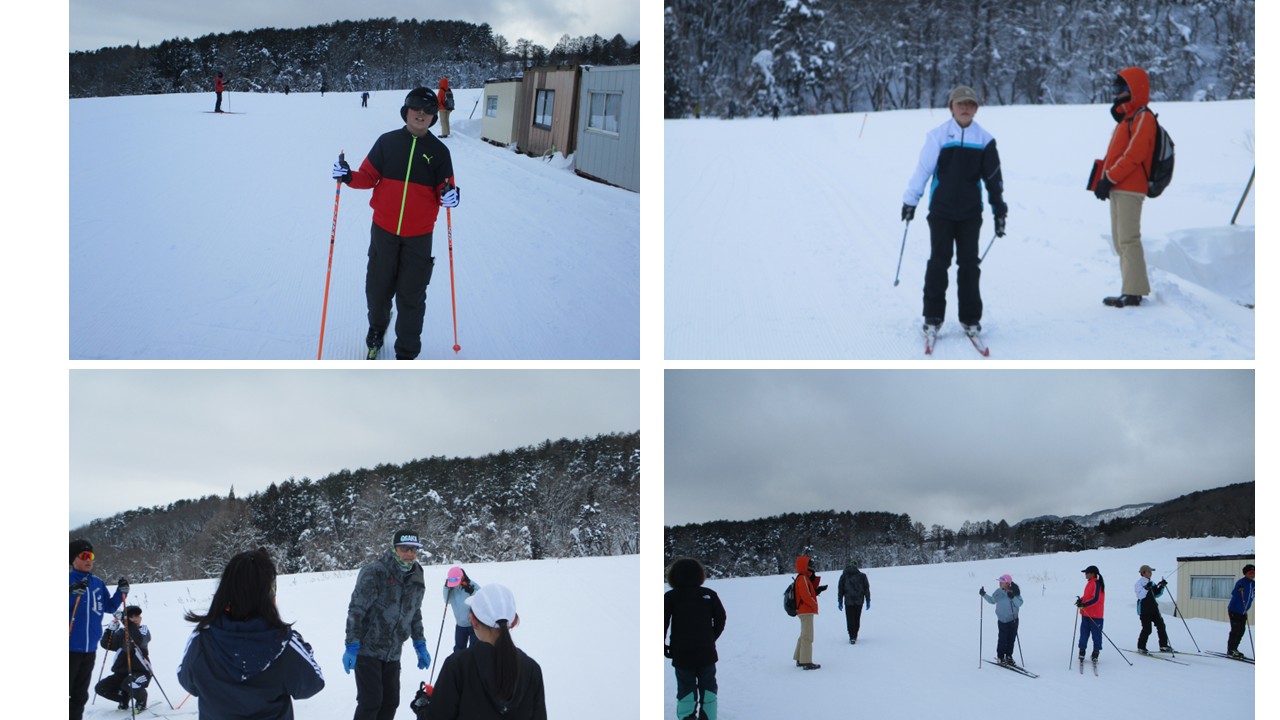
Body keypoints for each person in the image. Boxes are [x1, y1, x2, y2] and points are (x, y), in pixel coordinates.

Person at [332, 88, 460, 360]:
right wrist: (348, 175)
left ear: (434, 117)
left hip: (419, 237)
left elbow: (446, 189)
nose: (421, 113)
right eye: (416, 107)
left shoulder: (439, 152)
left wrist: (451, 195)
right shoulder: (387, 143)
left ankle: (407, 352)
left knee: (411, 297)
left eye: (427, 110)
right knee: (377, 290)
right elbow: (367, 177)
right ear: (406, 111)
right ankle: (377, 331)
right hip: (384, 232)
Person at [902, 85, 1007, 339]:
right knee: (939, 261)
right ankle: (933, 316)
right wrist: (910, 201)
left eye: (970, 105)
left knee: (969, 264)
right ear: (951, 107)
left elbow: (994, 180)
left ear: (976, 109)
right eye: (960, 104)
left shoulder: (985, 140)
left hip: (971, 214)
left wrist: (999, 211)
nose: (965, 108)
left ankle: (970, 318)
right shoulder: (938, 136)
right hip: (941, 211)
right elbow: (923, 170)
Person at [177, 548, 323, 719]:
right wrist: (303, 647)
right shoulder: (284, 643)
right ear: (269, 593)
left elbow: (187, 681)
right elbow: (312, 684)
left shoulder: (201, 639)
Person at [343, 530, 430, 720]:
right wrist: (352, 644)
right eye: (404, 548)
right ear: (394, 548)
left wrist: (419, 643)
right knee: (371, 702)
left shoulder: (417, 574)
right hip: (368, 649)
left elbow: (414, 612)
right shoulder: (375, 571)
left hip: (394, 651)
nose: (409, 553)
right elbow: (356, 609)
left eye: (414, 549)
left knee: (391, 702)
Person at [430, 583, 547, 720]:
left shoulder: (457, 665)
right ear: (513, 622)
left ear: (473, 621)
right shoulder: (532, 669)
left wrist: (424, 707)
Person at [1094, 67, 1157, 308]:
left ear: (1134, 89)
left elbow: (1134, 155)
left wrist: (1109, 178)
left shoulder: (1143, 117)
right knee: (1120, 240)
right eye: (1115, 88)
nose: (1116, 93)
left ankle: (1134, 293)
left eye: (1120, 88)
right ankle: (1128, 289)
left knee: (1129, 239)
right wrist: (1104, 181)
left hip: (1130, 187)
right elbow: (1116, 154)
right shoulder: (1127, 119)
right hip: (1118, 186)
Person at [69, 539, 127, 720]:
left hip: (89, 649)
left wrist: (121, 592)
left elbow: (109, 607)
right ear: (72, 559)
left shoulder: (97, 583)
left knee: (80, 694)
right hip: (69, 648)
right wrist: (71, 594)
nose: (89, 560)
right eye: (84, 556)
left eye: (91, 556)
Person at [664, 558, 726, 720]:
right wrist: (711, 638)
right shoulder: (709, 595)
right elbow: (721, 618)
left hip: (682, 652)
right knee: (709, 686)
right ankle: (708, 717)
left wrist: (662, 645)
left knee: (686, 687)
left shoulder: (670, 597)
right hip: (706, 651)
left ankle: (687, 717)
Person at [95, 605, 152, 711]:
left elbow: (137, 640)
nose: (135, 619)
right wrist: (109, 631)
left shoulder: (143, 630)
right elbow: (107, 645)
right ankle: (124, 699)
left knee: (129, 683)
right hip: (121, 672)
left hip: (141, 672)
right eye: (131, 617)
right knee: (101, 688)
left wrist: (125, 621)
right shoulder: (121, 633)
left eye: (137, 616)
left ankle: (141, 700)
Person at [980, 574, 1023, 666]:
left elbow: (1019, 603)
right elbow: (992, 600)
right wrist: (984, 595)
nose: (1000, 583)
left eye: (1002, 582)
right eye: (999, 581)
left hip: (1013, 621)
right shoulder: (998, 592)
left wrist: (1013, 597)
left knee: (1011, 640)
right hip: (1002, 621)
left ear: (1007, 583)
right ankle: (1000, 657)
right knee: (1002, 639)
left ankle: (1008, 656)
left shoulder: (1014, 591)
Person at [792, 556, 826, 670]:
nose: (812, 566)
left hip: (803, 610)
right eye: (809, 564)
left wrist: (817, 590)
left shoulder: (803, 577)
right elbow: (805, 595)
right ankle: (806, 662)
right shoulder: (802, 578)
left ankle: (799, 658)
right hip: (805, 610)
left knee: (804, 635)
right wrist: (813, 604)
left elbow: (808, 592)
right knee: (808, 636)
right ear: (804, 566)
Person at [1134, 564, 1172, 654]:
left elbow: (1156, 594)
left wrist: (1162, 586)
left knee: (1161, 626)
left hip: (1154, 608)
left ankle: (1163, 645)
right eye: (1149, 571)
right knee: (1147, 629)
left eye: (1151, 572)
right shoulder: (1139, 583)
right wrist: (1147, 588)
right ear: (1143, 573)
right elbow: (1140, 596)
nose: (1151, 573)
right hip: (1144, 610)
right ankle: (1141, 647)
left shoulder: (1152, 582)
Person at [444, 566, 480, 653]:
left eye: (455, 581)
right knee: (458, 650)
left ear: (462, 577)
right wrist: (446, 588)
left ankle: (472, 666)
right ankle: (459, 666)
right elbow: (447, 600)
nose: (454, 584)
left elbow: (481, 599)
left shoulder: (472, 586)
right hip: (460, 625)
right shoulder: (450, 588)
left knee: (474, 650)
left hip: (474, 625)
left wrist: (472, 592)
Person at [1075, 565, 1106, 663]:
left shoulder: (1097, 584)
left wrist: (1084, 604)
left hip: (1096, 615)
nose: (1085, 574)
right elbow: (1088, 596)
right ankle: (1082, 651)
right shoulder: (1090, 583)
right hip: (1086, 614)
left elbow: (1096, 599)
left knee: (1096, 635)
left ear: (1092, 574)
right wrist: (1081, 600)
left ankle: (1095, 653)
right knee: (1084, 633)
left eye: (1087, 573)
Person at [836, 559, 871, 644]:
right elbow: (866, 589)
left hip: (848, 601)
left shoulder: (844, 576)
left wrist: (840, 600)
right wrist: (868, 600)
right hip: (859, 601)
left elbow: (840, 589)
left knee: (850, 618)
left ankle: (852, 636)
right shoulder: (862, 576)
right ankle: (855, 634)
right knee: (857, 618)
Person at [1226, 563, 1255, 658]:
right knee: (1235, 630)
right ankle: (1231, 650)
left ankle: (1235, 648)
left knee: (1241, 630)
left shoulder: (1253, 584)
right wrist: (1239, 590)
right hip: (1234, 610)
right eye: (1251, 572)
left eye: (1254, 572)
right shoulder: (1241, 582)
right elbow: (1234, 593)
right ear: (1246, 573)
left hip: (1243, 611)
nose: (1253, 574)